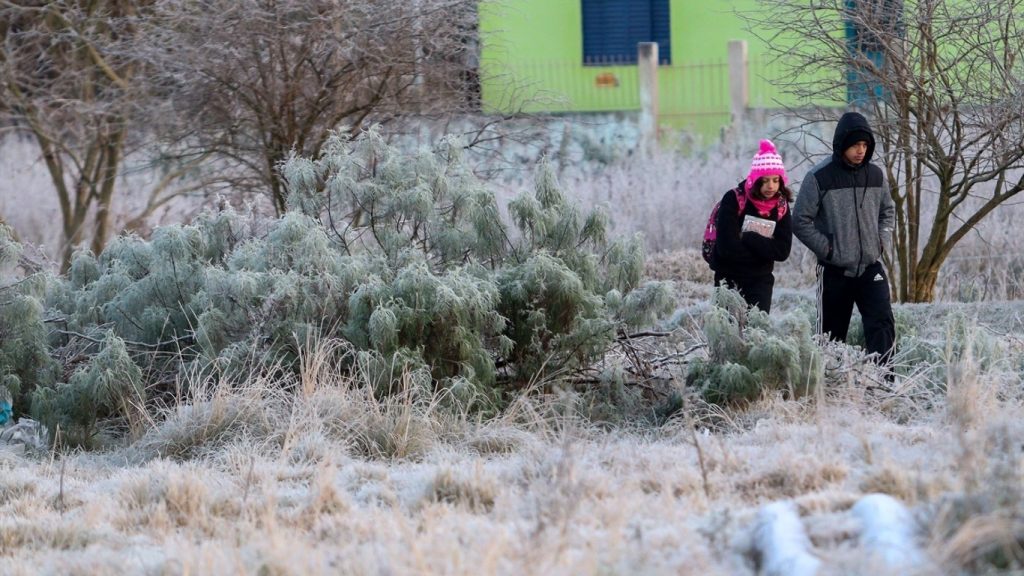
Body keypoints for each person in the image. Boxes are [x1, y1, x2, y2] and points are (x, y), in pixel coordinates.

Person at [792, 111, 896, 366]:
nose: (860, 150)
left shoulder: (876, 175)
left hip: (871, 268)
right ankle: (830, 388)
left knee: (882, 326)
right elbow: (800, 221)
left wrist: (882, 242)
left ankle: (884, 384)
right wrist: (829, 250)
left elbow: (888, 212)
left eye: (864, 145)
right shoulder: (818, 177)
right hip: (834, 272)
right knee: (830, 336)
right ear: (841, 145)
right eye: (855, 145)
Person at [712, 139, 793, 313]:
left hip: (760, 282)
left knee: (757, 333)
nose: (771, 186)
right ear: (755, 180)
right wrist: (764, 252)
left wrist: (749, 238)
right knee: (727, 333)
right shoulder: (734, 199)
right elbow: (726, 248)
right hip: (728, 279)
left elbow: (782, 251)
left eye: (775, 180)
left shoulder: (781, 206)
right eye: (765, 181)